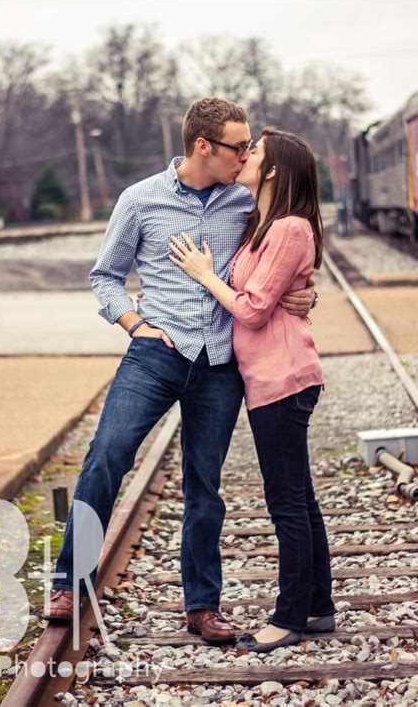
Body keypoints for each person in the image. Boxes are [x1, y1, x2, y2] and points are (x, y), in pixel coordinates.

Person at [43, 98, 316, 646]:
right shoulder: (139, 200)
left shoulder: (247, 203)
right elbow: (106, 276)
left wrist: (305, 293)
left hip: (220, 363)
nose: (245, 156)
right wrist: (133, 324)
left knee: (204, 487)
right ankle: (71, 582)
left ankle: (202, 607)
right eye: (237, 147)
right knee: (106, 456)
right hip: (156, 352)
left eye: (248, 148)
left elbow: (282, 261)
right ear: (203, 147)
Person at [168, 126, 335, 653]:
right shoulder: (264, 222)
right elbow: (272, 291)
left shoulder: (287, 227)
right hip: (269, 376)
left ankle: (288, 618)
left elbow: (254, 307)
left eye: (254, 151)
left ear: (273, 170)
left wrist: (203, 273)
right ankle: (318, 607)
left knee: (286, 503)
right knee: (300, 500)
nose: (244, 155)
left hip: (282, 377)